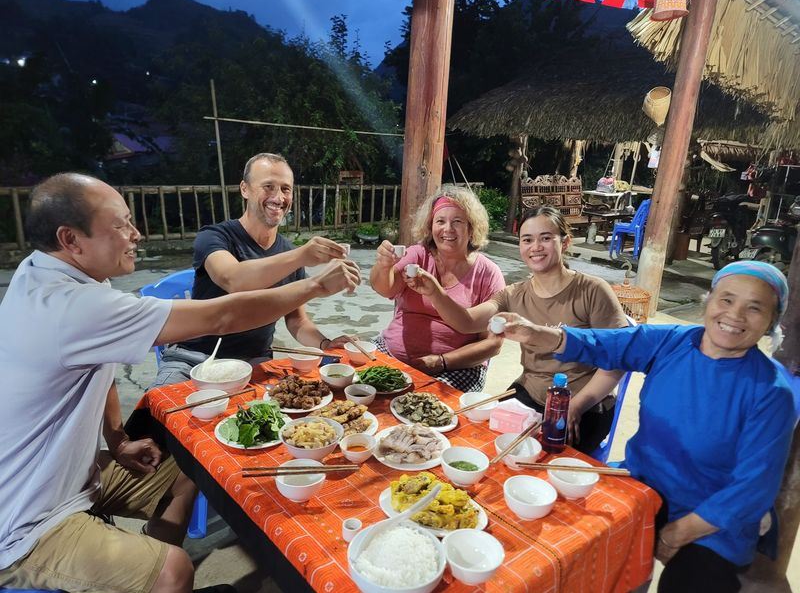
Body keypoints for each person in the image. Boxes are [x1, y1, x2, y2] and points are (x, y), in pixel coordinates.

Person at [0, 173, 360, 593]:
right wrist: (315, 284)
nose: (136, 234)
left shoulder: (45, 273)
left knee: (194, 466)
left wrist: (116, 440)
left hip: (76, 480)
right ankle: (157, 574)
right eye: (121, 225)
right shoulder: (75, 304)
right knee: (175, 570)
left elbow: (101, 368)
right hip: (28, 522)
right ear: (71, 239)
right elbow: (223, 310)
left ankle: (143, 566)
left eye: (285, 189)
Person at [496, 260, 794, 593]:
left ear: (770, 322)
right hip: (641, 483)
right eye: (726, 299)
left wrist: (674, 534)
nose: (735, 315)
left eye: (754, 308)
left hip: (711, 520)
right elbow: (605, 343)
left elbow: (751, 492)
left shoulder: (772, 393)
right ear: (709, 300)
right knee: (568, 543)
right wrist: (536, 333)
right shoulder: (675, 341)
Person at [405, 206, 627, 453]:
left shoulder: (592, 290)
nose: (536, 247)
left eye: (545, 238)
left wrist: (577, 405)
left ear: (564, 243)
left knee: (543, 458)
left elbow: (618, 359)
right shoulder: (514, 294)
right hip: (529, 394)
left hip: (584, 403)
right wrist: (435, 291)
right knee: (484, 442)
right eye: (527, 240)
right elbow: (466, 321)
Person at [153, 153, 352, 387]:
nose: (278, 198)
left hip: (254, 362)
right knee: (157, 416)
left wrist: (324, 344)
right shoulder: (215, 236)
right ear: (245, 189)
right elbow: (233, 278)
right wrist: (302, 257)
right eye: (268, 186)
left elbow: (297, 321)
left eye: (286, 189)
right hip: (193, 359)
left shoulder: (289, 253)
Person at [369, 184, 505, 391]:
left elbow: (493, 344)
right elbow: (384, 288)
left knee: (427, 412)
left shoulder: (488, 273)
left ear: (471, 228)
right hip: (391, 352)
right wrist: (383, 265)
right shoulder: (418, 255)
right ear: (430, 228)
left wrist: (443, 361)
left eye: (457, 221)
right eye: (440, 221)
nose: (447, 229)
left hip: (455, 367)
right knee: (355, 386)